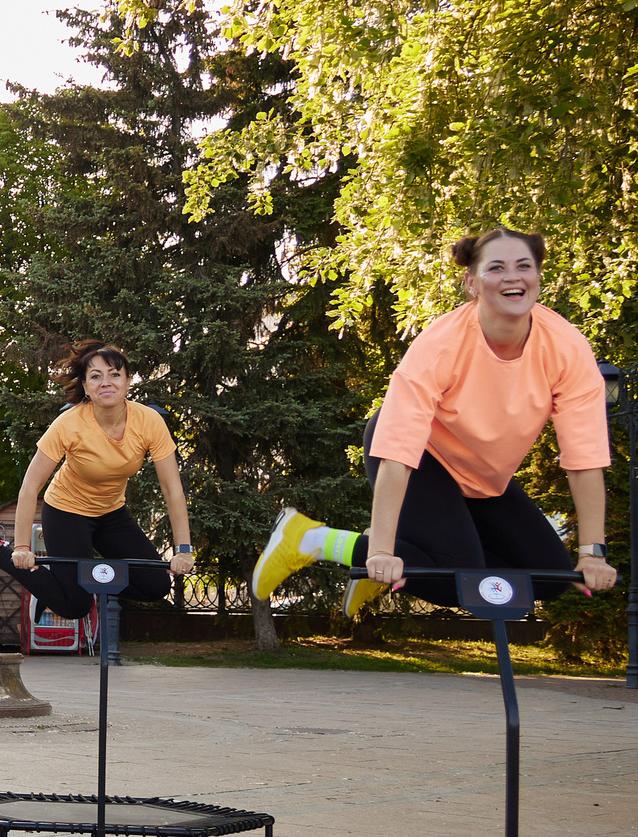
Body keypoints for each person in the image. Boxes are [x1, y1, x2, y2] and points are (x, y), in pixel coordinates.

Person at [253, 227, 619, 614]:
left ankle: (402, 555)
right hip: (422, 458)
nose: (512, 277)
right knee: (455, 580)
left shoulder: (567, 348)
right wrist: (379, 552)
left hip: (482, 479)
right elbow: (398, 450)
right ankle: (309, 539)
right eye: (496, 268)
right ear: (472, 283)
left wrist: (592, 553)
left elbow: (584, 457)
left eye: (524, 266)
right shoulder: (442, 344)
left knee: (551, 577)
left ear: (538, 277)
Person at [0, 341, 194, 617]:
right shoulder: (69, 424)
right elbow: (30, 486)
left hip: (111, 513)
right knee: (75, 606)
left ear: (128, 382)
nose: (106, 382)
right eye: (96, 376)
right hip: (66, 511)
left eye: (115, 374)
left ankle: (56, 586)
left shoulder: (149, 422)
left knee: (155, 585)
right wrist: (21, 547)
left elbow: (172, 489)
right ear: (86, 387)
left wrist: (183, 549)